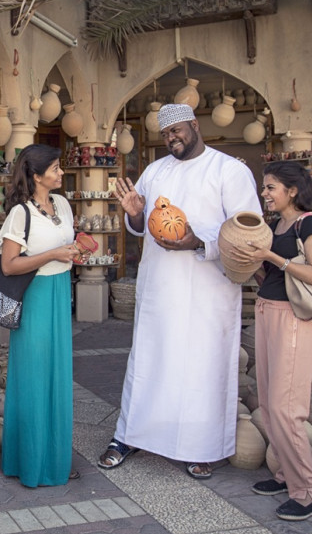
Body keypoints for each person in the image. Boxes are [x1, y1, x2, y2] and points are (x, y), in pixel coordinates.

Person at [97, 103, 260, 479]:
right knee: (151, 362)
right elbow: (138, 223)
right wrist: (135, 212)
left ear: (194, 126)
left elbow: (248, 233)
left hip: (209, 291)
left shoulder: (229, 171)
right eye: (166, 133)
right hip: (160, 290)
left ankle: (203, 447)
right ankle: (131, 435)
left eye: (177, 131)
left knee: (203, 367)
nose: (172, 138)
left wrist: (198, 243)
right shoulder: (155, 171)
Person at [231, 160, 312, 521]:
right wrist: (253, 260)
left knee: (288, 407)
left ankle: (307, 492)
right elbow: (270, 272)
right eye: (264, 186)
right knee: (271, 404)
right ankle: (287, 476)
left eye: (271, 187)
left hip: (294, 318)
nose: (264, 193)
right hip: (268, 311)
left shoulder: (310, 223)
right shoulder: (277, 224)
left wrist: (272, 256)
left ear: (292, 190)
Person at [0, 144, 80, 487]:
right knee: (33, 377)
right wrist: (52, 255)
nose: (61, 173)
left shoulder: (62, 204)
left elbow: (65, 248)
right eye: (56, 169)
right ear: (36, 175)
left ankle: (56, 460)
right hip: (35, 297)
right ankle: (30, 463)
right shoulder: (21, 213)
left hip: (60, 292)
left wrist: (73, 255)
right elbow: (9, 264)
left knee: (58, 376)